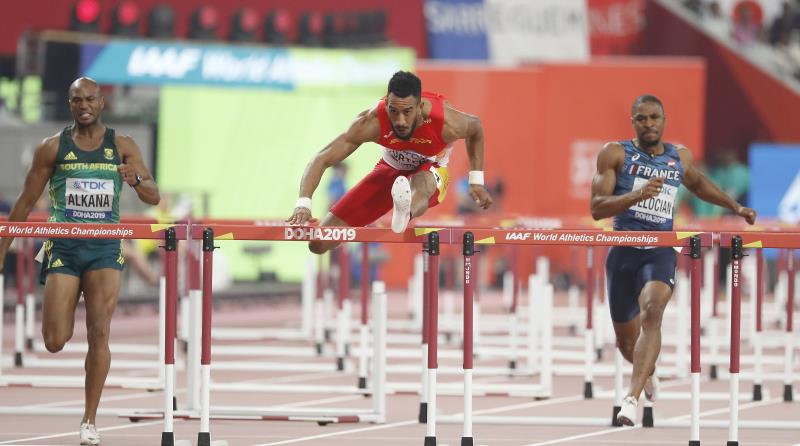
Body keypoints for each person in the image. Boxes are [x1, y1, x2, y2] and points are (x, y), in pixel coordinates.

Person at [0, 77, 160, 445]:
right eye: (76, 100)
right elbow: (24, 203)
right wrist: (2, 248)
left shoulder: (122, 145)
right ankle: (64, 330)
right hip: (65, 247)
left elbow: (153, 195)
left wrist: (135, 178)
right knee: (55, 339)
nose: (83, 105)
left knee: (99, 330)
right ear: (70, 104)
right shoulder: (52, 148)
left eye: (90, 99)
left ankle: (89, 420)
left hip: (104, 247)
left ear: (101, 103)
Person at [590, 94, 756, 426]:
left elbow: (698, 183)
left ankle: (631, 400)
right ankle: (647, 373)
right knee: (626, 341)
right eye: (641, 118)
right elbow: (597, 208)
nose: (648, 123)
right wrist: (636, 195)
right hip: (623, 250)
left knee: (653, 312)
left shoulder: (678, 157)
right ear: (633, 122)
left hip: (660, 250)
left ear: (664, 119)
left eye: (654, 117)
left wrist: (734, 207)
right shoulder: (615, 153)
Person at [287, 70, 493, 253]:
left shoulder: (446, 122)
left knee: (421, 182)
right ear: (386, 105)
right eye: (393, 111)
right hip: (389, 170)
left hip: (430, 169)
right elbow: (321, 158)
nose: (400, 121)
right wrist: (303, 203)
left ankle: (405, 212)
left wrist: (476, 181)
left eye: (407, 112)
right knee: (319, 244)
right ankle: (395, 208)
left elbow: (475, 128)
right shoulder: (371, 122)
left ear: (420, 107)